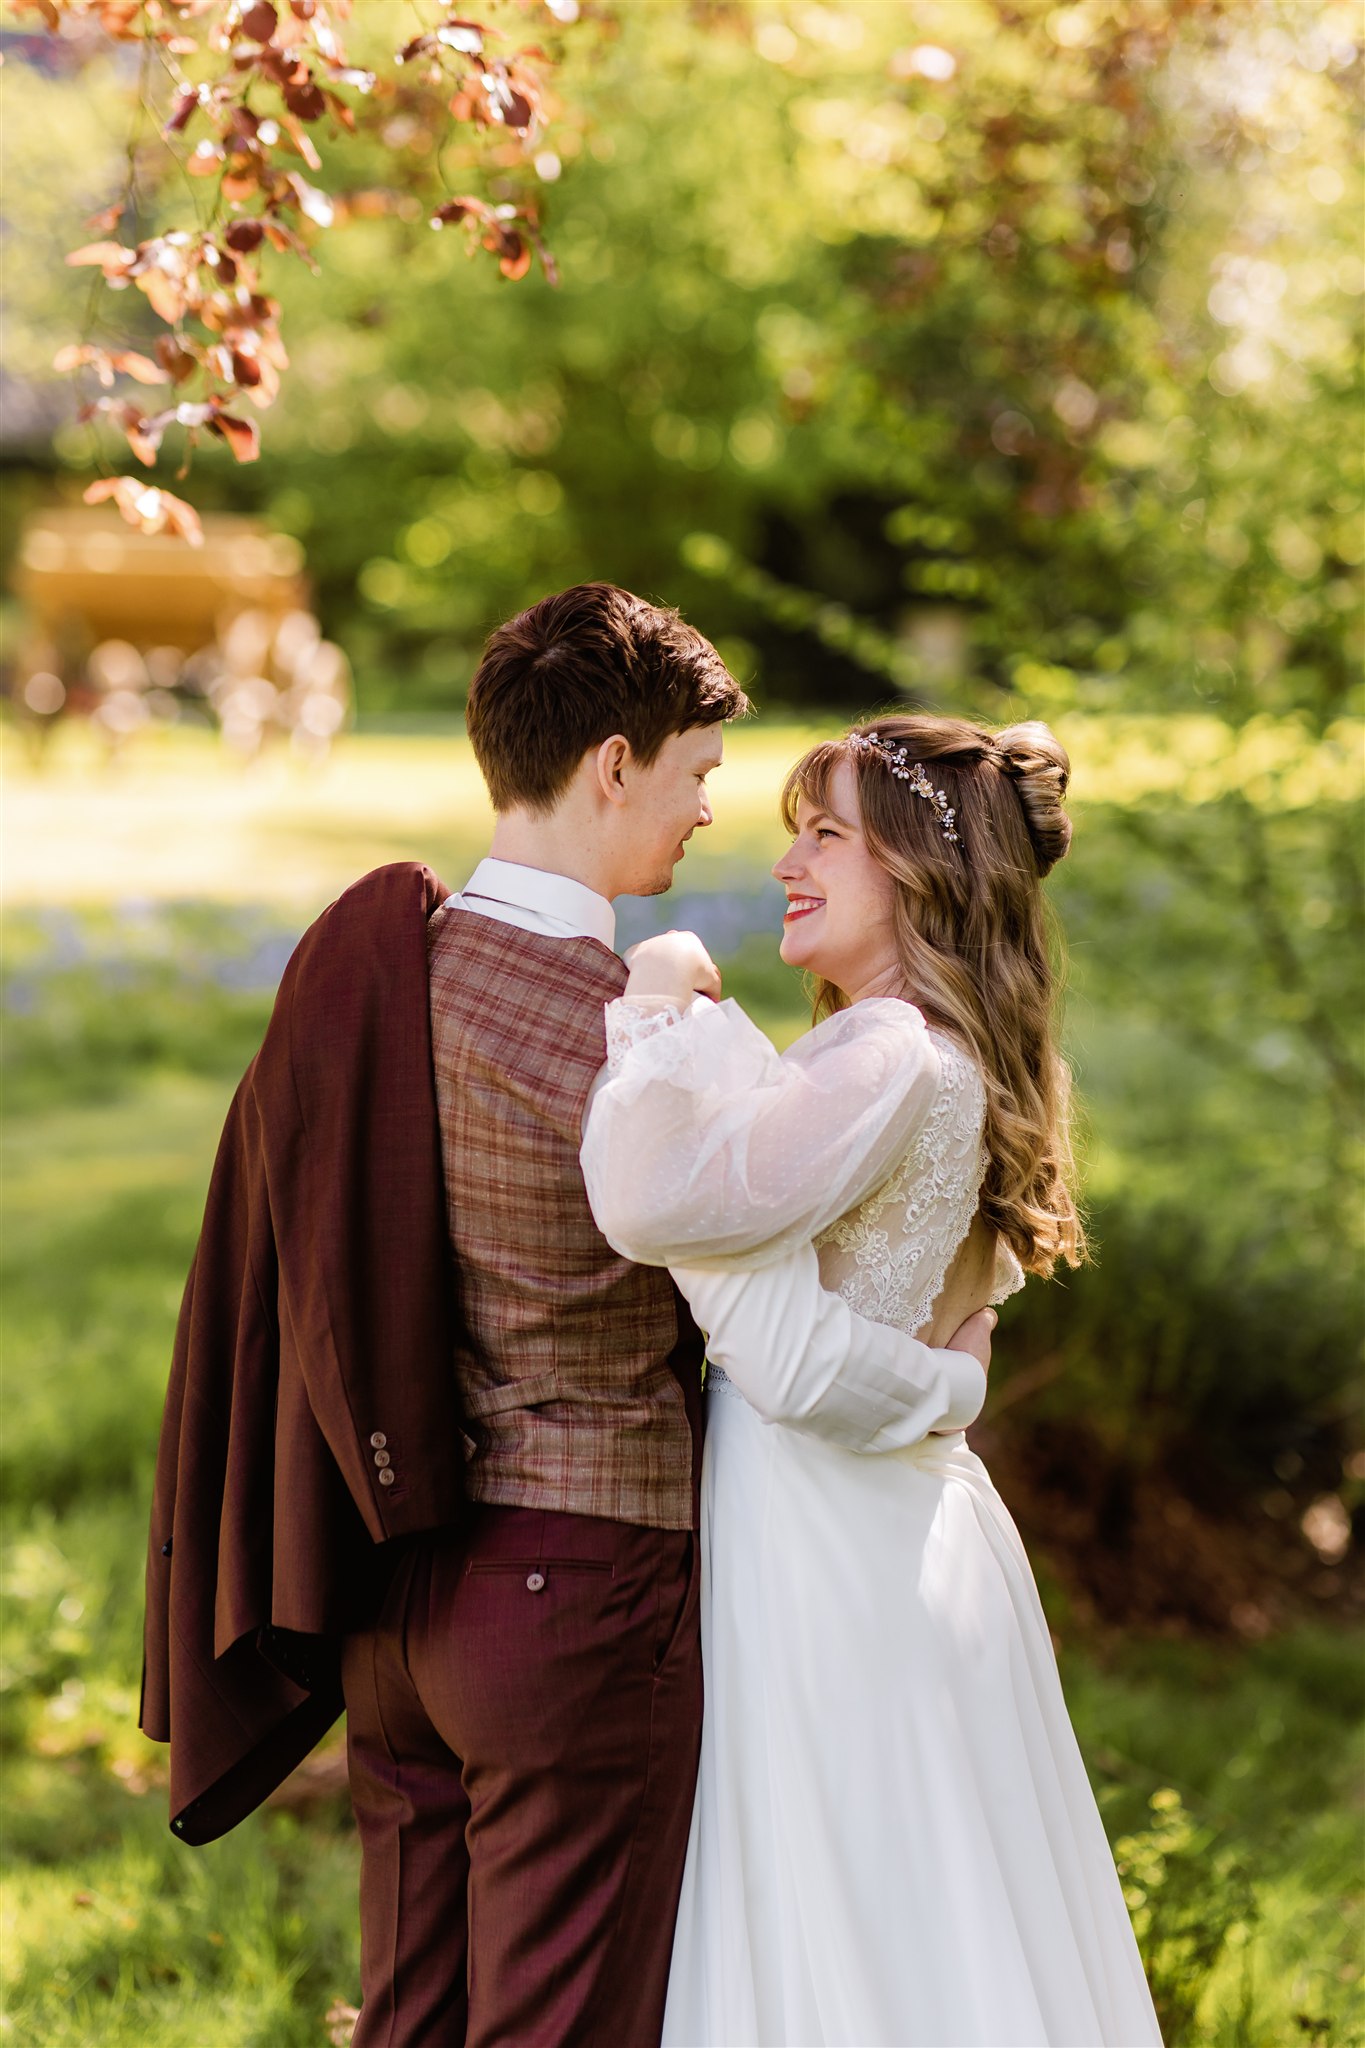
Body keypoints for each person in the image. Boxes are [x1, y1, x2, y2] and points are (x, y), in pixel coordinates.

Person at [581, 715, 1164, 2047]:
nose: (788, 859)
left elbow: (671, 1226)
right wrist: (947, 1385)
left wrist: (663, 998)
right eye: (795, 827)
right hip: (900, 1523)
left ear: (921, 874)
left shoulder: (885, 1053)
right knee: (919, 1907)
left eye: (827, 834)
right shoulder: (948, 1051)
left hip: (819, 1541)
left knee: (838, 1909)